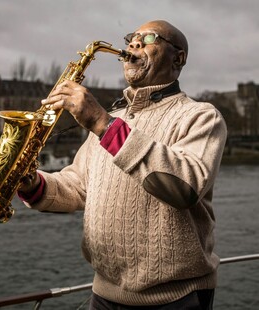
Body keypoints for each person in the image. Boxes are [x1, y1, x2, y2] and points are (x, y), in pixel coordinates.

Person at [18, 20, 227, 309]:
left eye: (149, 38)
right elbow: (78, 186)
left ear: (178, 58)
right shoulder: (113, 118)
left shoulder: (201, 116)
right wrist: (31, 182)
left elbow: (185, 186)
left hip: (176, 299)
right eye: (132, 38)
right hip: (103, 294)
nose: (134, 43)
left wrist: (102, 124)